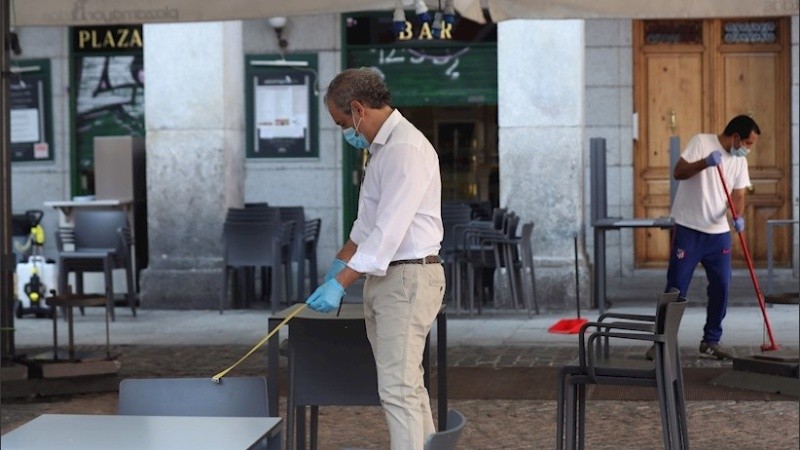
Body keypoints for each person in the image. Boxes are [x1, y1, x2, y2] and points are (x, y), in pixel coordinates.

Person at [305, 67, 446, 450]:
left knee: (398, 390)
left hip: (407, 278)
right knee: (408, 387)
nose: (344, 132)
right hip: (391, 280)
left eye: (340, 123)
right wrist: (337, 265)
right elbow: (364, 226)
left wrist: (341, 282)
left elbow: (388, 233)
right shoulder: (382, 150)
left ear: (357, 109)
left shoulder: (404, 149)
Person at [662, 114, 760, 361]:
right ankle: (661, 341)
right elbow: (678, 172)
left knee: (722, 286)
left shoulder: (739, 162)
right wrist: (705, 163)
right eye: (747, 143)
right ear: (736, 137)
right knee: (676, 287)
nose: (748, 149)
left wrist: (737, 216)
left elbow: (738, 195)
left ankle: (711, 340)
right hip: (688, 229)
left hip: (718, 234)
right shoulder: (701, 143)